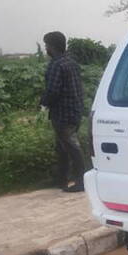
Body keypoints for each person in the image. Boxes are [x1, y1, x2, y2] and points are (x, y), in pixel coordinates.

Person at [40, 31, 85, 192]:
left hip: (62, 113)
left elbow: (53, 90)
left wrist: (43, 103)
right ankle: (62, 179)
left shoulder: (56, 65)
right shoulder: (72, 63)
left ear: (52, 47)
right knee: (63, 146)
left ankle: (80, 181)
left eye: (46, 45)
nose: (46, 48)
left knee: (71, 146)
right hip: (75, 110)